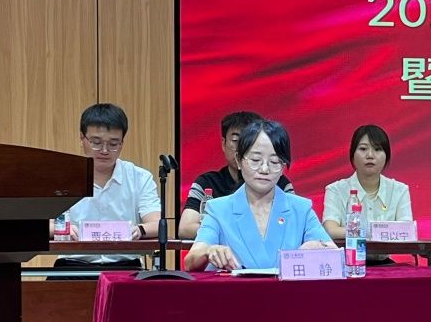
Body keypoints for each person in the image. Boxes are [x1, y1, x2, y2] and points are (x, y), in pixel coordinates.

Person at [43, 103, 162, 322]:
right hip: (74, 263)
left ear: (123, 141)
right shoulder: (62, 175)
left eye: (113, 143)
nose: (104, 150)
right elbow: (41, 221)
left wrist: (139, 230)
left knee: (144, 311)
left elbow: (156, 223)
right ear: (81, 138)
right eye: (96, 142)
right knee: (48, 305)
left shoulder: (139, 177)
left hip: (124, 264)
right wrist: (61, 229)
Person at [185, 120, 333, 272]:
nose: (264, 169)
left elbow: (333, 255)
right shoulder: (218, 209)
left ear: (283, 167)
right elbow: (191, 261)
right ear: (239, 160)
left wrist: (318, 247)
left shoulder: (301, 209)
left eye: (274, 162)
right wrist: (209, 251)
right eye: (255, 160)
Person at [177, 111, 295, 238]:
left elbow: (294, 228)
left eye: (249, 142)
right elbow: (185, 228)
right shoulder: (207, 184)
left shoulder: (279, 183)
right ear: (224, 144)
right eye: (236, 141)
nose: (241, 148)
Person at [322, 124, 413, 263]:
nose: (370, 155)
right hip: (348, 263)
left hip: (385, 264)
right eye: (363, 149)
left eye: (377, 149)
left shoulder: (399, 190)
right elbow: (331, 230)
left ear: (387, 156)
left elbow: (406, 231)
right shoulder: (336, 190)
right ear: (353, 155)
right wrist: (375, 232)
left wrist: (358, 232)